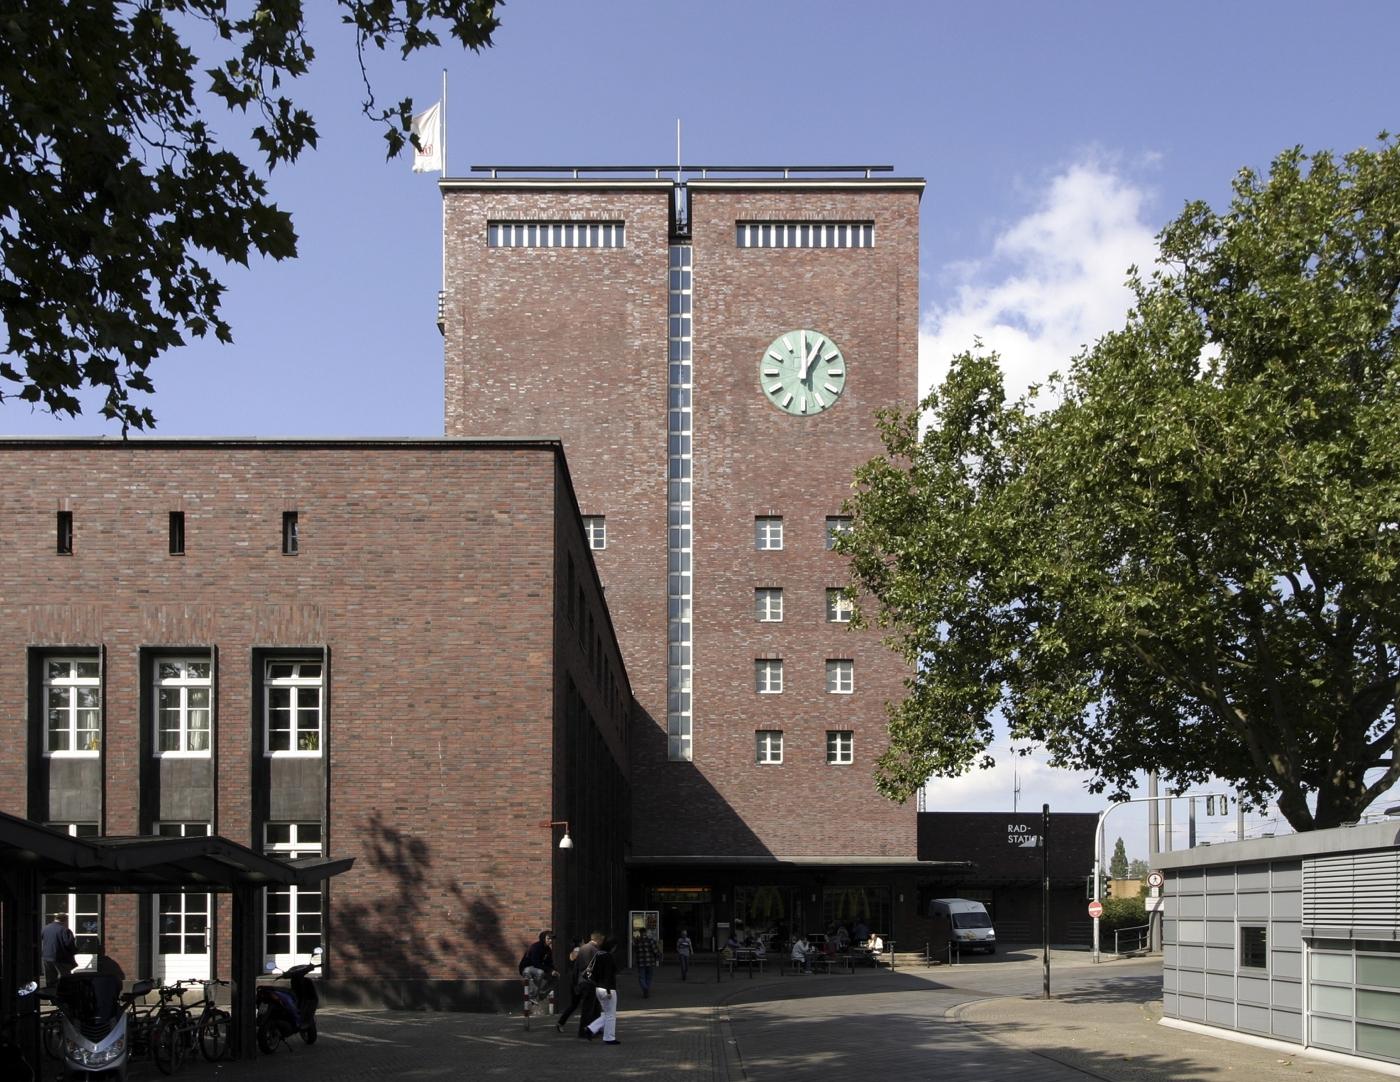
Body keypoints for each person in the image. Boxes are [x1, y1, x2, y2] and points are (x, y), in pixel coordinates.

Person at [563, 930, 604, 1037]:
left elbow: (576, 968)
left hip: (582, 981)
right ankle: (584, 1031)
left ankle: (595, 1028)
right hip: (591, 982)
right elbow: (599, 968)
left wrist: (576, 983)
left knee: (594, 1007)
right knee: (590, 1008)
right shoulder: (595, 950)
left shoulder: (582, 949)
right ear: (598, 940)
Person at [583, 937, 620, 1044]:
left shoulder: (598, 955)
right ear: (612, 947)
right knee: (611, 1015)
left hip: (598, 988)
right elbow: (608, 975)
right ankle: (609, 1037)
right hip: (607, 988)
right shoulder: (608, 957)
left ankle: (591, 1029)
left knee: (607, 1013)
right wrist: (608, 990)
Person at [519, 929, 557, 1001]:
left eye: (551, 939)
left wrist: (553, 970)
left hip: (536, 968)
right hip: (526, 968)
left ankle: (542, 993)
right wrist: (549, 970)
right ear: (543, 939)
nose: (550, 941)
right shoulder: (536, 947)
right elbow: (536, 963)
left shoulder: (548, 950)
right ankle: (532, 996)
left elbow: (549, 963)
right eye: (548, 939)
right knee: (540, 972)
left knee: (555, 977)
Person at [41, 913, 77, 988]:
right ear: (65, 920)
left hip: (47, 958)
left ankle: (51, 995)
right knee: (65, 979)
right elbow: (69, 944)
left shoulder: (45, 928)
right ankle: (63, 996)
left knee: (50, 979)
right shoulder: (64, 930)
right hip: (61, 958)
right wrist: (75, 951)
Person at [633, 928, 660, 999]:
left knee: (641, 977)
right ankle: (647, 988)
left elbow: (635, 951)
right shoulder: (650, 940)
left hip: (641, 962)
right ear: (646, 932)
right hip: (650, 962)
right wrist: (658, 956)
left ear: (640, 933)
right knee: (649, 976)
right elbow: (655, 950)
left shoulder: (637, 941)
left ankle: (645, 988)